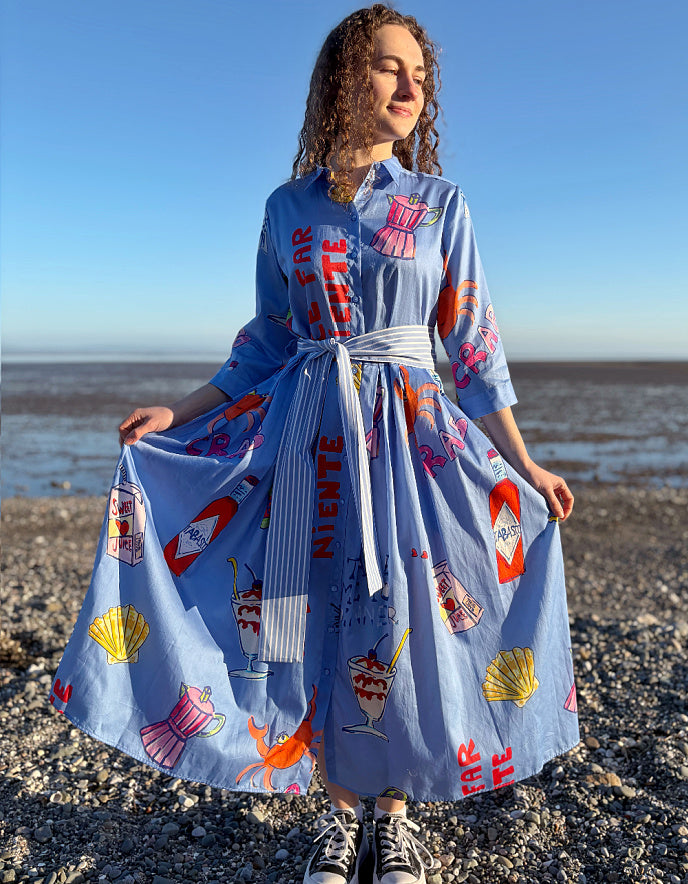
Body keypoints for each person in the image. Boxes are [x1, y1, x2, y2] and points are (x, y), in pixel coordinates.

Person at [53, 6, 578, 884]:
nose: (410, 88)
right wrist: (176, 417)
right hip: (305, 435)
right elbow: (265, 340)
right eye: (386, 68)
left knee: (403, 610)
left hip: (411, 437)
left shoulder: (441, 205)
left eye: (419, 74)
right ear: (343, 79)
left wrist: (522, 463)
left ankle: (397, 814)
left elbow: (473, 344)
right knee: (307, 606)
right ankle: (340, 817)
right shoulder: (286, 209)